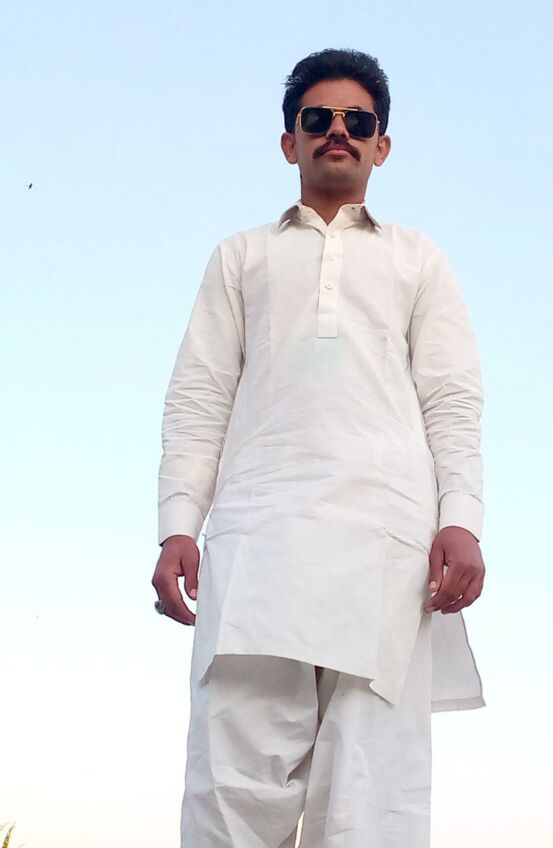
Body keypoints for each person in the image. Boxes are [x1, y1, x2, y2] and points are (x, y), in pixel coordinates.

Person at [152, 47, 487, 848]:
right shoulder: (242, 256)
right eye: (318, 118)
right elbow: (200, 395)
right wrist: (177, 525)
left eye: (357, 121)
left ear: (381, 146)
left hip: (386, 544)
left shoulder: (417, 259)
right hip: (259, 542)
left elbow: (450, 396)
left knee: (371, 799)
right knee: (232, 790)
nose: (338, 130)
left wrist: (462, 518)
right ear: (289, 142)